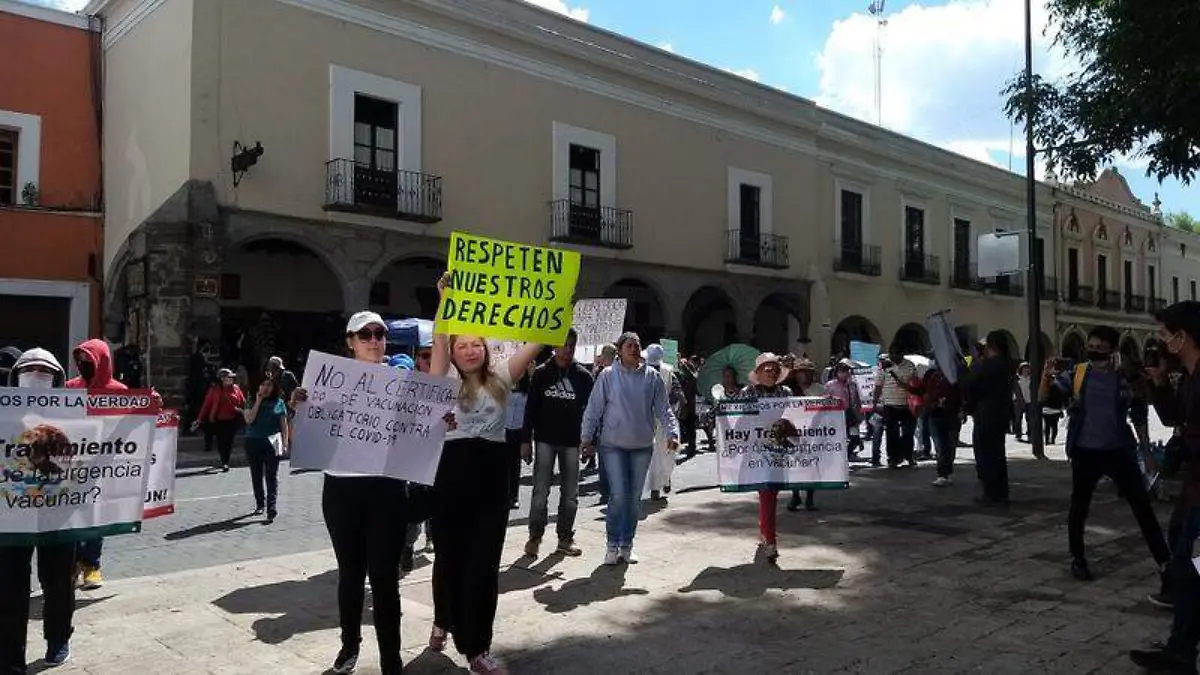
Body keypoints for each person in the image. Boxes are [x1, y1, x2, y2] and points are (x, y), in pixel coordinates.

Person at [426, 278, 542, 675]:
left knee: (483, 565)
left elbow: (536, 342)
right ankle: (443, 618)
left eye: (477, 343)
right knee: (449, 559)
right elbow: (439, 341)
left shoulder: (503, 379)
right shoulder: (443, 380)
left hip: (492, 480)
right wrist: (446, 302)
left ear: (486, 349)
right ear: (454, 352)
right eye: (463, 344)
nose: (470, 349)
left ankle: (477, 647)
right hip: (451, 478)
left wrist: (556, 303)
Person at [291, 312, 408, 675]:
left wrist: (441, 422)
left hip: (387, 488)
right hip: (342, 488)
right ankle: (349, 648)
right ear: (350, 341)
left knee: (385, 577)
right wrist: (301, 410)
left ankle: (392, 658)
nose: (374, 340)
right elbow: (303, 440)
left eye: (379, 334)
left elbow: (423, 425)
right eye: (365, 334)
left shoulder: (402, 382)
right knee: (351, 574)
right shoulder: (329, 383)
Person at [1046, 325, 1168, 582]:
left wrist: (1146, 452)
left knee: (1142, 506)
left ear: (1112, 350)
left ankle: (1164, 561)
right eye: (1091, 347)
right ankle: (1077, 558)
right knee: (1079, 507)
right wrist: (1045, 377)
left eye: (1101, 348)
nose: (1094, 352)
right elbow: (1050, 399)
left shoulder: (1123, 377)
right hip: (1085, 451)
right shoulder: (1078, 374)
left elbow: (1138, 414)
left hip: (1118, 451)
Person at [1131, 301, 1200, 673]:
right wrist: (1158, 382)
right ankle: (1180, 651)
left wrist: (1183, 446)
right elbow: (1175, 417)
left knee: (1191, 569)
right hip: (1194, 491)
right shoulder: (1190, 374)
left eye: (1164, 334)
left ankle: (1181, 652)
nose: (1161, 341)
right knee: (1188, 569)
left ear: (1181, 337)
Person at [0, 349, 75, 671]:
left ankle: (58, 638)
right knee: (9, 586)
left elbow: (108, 439)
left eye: (44, 371)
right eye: (29, 369)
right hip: (10, 512)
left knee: (58, 581)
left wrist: (146, 409)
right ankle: (9, 656)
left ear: (57, 377)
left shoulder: (75, 413)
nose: (36, 375)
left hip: (57, 511)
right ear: (15, 375)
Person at [581, 332, 679, 566]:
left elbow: (664, 410)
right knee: (618, 495)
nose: (635, 349)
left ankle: (627, 545)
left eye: (637, 345)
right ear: (620, 350)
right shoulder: (607, 375)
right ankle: (612, 545)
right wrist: (586, 438)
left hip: (641, 447)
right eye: (630, 345)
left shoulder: (652, 377)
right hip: (612, 446)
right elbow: (594, 409)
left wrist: (673, 433)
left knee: (634, 498)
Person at [522, 328, 594, 558]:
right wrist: (526, 440)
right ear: (555, 347)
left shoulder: (584, 377)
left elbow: (592, 412)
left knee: (571, 494)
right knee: (540, 491)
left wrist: (591, 441)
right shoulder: (542, 374)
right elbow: (530, 409)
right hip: (544, 440)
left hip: (572, 442)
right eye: (564, 345)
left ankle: (565, 538)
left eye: (572, 346)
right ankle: (535, 537)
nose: (567, 350)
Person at [66, 339, 127, 591]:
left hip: (102, 465)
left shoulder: (119, 391)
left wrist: (150, 404)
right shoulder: (70, 387)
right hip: (70, 464)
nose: (82, 365)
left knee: (93, 516)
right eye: (79, 361)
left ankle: (92, 564)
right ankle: (72, 565)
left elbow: (131, 426)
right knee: (69, 516)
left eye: (87, 361)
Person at [739, 353, 793, 563]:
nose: (771, 371)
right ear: (759, 373)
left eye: (774, 368)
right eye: (766, 368)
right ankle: (770, 541)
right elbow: (738, 419)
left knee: (771, 493)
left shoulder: (785, 392)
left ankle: (765, 530)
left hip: (779, 449)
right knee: (767, 492)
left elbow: (795, 416)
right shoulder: (748, 393)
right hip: (757, 450)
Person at [963, 331, 1012, 505]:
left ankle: (990, 493)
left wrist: (975, 362)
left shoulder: (988, 365)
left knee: (986, 455)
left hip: (986, 414)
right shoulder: (1006, 364)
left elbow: (970, 383)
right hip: (1000, 414)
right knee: (998, 455)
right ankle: (1001, 492)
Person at [243, 376, 289, 523]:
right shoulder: (250, 401)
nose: (266, 388)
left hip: (274, 441)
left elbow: (284, 424)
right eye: (263, 384)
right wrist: (258, 401)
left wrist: (285, 441)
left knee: (271, 475)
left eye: (269, 385)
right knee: (256, 474)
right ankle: (260, 504)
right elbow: (249, 419)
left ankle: (271, 507)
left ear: (274, 388)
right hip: (253, 441)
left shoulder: (279, 402)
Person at [645, 344, 684, 501]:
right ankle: (661, 482)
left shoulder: (643, 371)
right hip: (665, 418)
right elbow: (678, 393)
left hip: (652, 419)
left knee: (656, 454)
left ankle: (659, 484)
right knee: (666, 453)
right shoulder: (669, 371)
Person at [785, 358, 823, 511]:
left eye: (807, 372)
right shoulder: (789, 390)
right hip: (793, 432)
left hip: (813, 433)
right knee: (793, 466)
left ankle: (810, 498)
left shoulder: (820, 390)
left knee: (811, 466)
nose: (804, 376)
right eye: (801, 372)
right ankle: (795, 496)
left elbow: (828, 410)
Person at [875, 346, 919, 469]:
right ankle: (893, 458)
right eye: (892, 353)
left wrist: (909, 388)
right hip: (890, 405)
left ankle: (908, 455)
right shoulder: (884, 366)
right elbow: (878, 385)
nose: (894, 355)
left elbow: (915, 383)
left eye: (897, 353)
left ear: (902, 353)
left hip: (907, 405)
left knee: (908, 432)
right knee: (891, 433)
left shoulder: (910, 365)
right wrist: (875, 402)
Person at [193, 368, 245, 472]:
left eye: (232, 377)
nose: (231, 379)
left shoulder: (236, 388)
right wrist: (199, 418)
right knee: (221, 441)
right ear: (222, 379)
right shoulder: (214, 390)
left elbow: (243, 402)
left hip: (233, 419)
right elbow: (206, 405)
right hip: (218, 420)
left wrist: (246, 411)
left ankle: (226, 460)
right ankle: (224, 462)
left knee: (229, 442)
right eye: (229, 377)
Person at [925, 363, 963, 487]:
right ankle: (942, 474)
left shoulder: (956, 376)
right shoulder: (931, 376)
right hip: (935, 414)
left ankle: (948, 470)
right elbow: (925, 391)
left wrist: (962, 410)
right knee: (940, 446)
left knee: (951, 445)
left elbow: (961, 394)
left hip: (952, 414)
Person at [825, 361, 863, 460]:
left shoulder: (853, 385)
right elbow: (825, 400)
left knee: (854, 439)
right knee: (839, 439)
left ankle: (846, 455)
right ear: (836, 372)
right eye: (841, 371)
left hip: (851, 416)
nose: (844, 374)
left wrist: (860, 414)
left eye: (846, 371)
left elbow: (857, 400)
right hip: (836, 416)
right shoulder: (830, 385)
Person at [1041, 359, 1071, 445]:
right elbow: (1063, 396)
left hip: (1051, 409)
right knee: (1052, 426)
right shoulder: (1057, 386)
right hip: (1052, 409)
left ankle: (1048, 440)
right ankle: (1050, 440)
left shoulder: (1051, 387)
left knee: (1049, 426)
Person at [1012, 362, 1033, 442]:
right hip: (1018, 401)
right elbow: (1015, 390)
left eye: (1027, 368)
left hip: (1029, 400)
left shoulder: (1031, 379)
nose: (1026, 370)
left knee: (1030, 419)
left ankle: (1030, 434)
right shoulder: (1017, 379)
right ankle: (1018, 434)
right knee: (1018, 419)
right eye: (1024, 368)